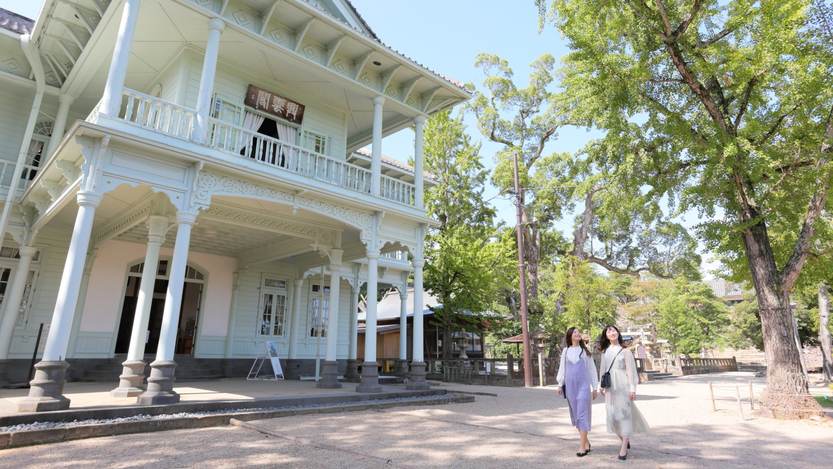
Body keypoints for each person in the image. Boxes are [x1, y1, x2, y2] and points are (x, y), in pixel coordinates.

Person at [598, 324, 650, 461]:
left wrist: (633, 389)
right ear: (606, 336)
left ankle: (624, 447)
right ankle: (624, 438)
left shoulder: (625, 351)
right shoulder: (605, 351)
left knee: (624, 415)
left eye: (614, 330)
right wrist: (601, 386)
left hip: (622, 384)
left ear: (618, 333)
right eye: (609, 332)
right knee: (612, 417)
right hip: (610, 386)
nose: (612, 333)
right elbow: (603, 369)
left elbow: (631, 371)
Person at [557, 326, 598, 457]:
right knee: (575, 415)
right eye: (575, 332)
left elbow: (592, 370)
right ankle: (586, 442)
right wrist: (560, 383)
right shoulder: (565, 351)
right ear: (569, 336)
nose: (578, 333)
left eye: (579, 332)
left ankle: (582, 447)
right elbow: (562, 369)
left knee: (582, 414)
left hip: (583, 386)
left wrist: (595, 387)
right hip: (570, 387)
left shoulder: (585, 351)